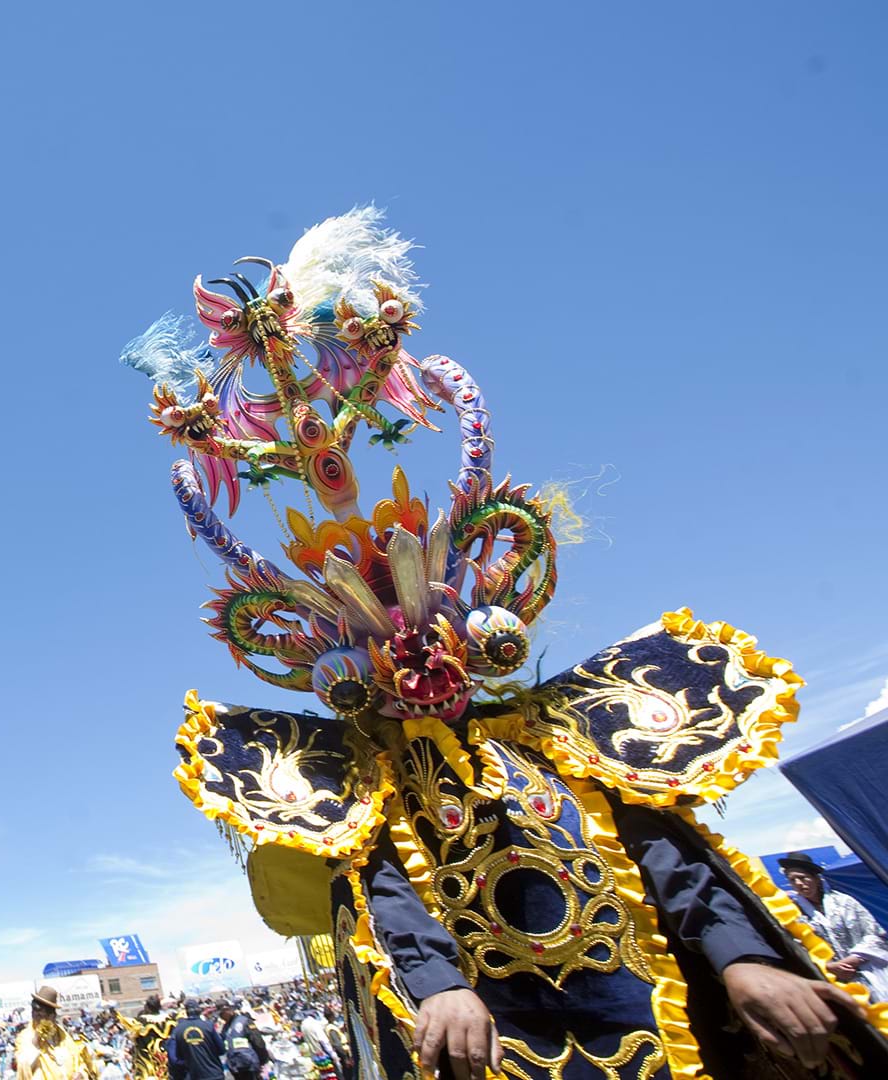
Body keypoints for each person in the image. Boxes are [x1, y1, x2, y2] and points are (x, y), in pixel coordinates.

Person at [128, 208, 888, 1080]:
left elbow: (658, 841)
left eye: (452, 639)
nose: (417, 669)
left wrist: (741, 957)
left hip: (657, 1019)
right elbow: (379, 880)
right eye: (368, 667)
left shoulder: (556, 730)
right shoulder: (366, 778)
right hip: (491, 1044)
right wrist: (437, 983)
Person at [780, 851, 888, 1002]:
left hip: (869, 971)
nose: (798, 883)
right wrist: (829, 966)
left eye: (803, 878)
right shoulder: (793, 914)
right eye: (793, 880)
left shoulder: (845, 902)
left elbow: (874, 933)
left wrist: (853, 959)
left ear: (816, 879)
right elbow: (797, 947)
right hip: (830, 981)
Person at [16, 986, 96, 1079]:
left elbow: (79, 1060)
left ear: (52, 1016)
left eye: (42, 1015)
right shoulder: (25, 1037)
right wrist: (35, 1043)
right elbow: (23, 1066)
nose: (37, 1018)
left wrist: (81, 1074)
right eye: (34, 1014)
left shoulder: (64, 1036)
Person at [167, 999, 227, 1080]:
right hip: (214, 1074)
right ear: (199, 1011)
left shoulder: (178, 1029)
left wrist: (187, 1062)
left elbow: (173, 1058)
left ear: (186, 1012)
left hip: (192, 1075)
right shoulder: (209, 1026)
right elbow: (222, 1050)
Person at [220, 999, 268, 1079]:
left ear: (230, 1010)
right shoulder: (225, 1028)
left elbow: (258, 1042)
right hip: (235, 1067)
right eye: (220, 1014)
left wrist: (263, 1060)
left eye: (223, 1013)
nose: (221, 1016)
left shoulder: (244, 1021)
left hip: (249, 1064)